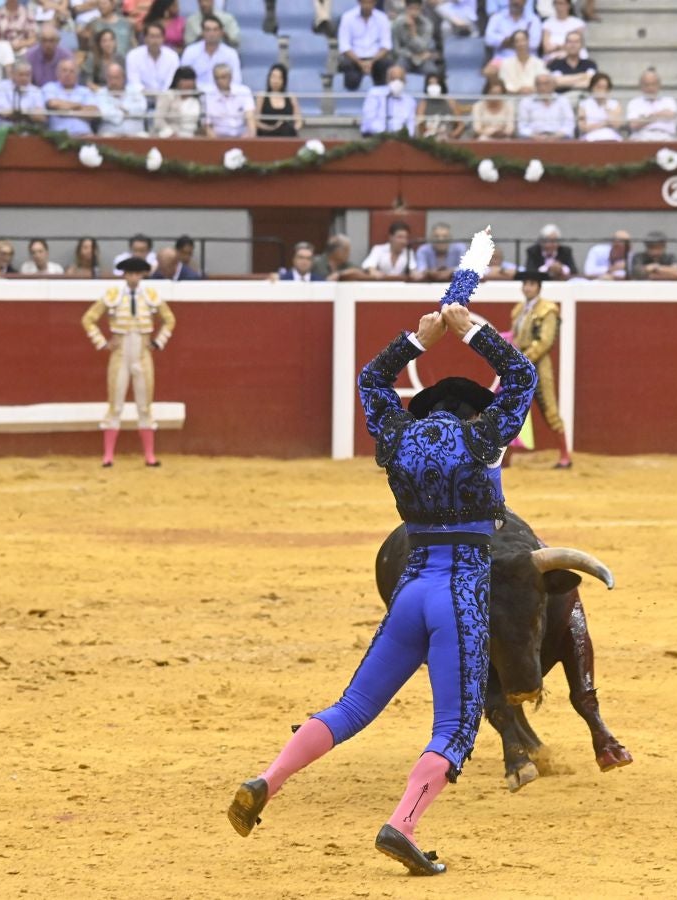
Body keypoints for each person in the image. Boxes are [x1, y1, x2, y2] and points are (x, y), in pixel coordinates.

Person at [227, 237, 537, 877]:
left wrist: (419, 340)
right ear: (471, 417)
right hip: (460, 594)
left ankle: (267, 780)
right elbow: (525, 377)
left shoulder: (394, 440)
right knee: (453, 728)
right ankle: (403, 824)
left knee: (351, 708)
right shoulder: (482, 443)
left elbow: (372, 379)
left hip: (412, 588)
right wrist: (472, 328)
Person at [80, 256, 176, 467]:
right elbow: (88, 319)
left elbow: (170, 319)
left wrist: (159, 342)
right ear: (124, 275)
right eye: (130, 274)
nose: (133, 278)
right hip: (120, 354)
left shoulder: (150, 295)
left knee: (145, 406)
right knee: (115, 406)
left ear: (142, 275)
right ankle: (108, 456)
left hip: (142, 354)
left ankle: (150, 456)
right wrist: (102, 342)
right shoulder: (113, 295)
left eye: (137, 274)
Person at [509, 269, 569, 467]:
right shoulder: (519, 309)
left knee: (549, 409)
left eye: (532, 284)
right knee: (510, 408)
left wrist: (522, 360)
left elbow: (545, 342)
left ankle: (564, 457)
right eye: (525, 283)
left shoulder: (548, 310)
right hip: (520, 366)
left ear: (539, 287)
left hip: (538, 366)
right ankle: (505, 457)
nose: (527, 287)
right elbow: (515, 337)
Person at [337, 0, 393, 90]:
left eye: (370, 2)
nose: (367, 5)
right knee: (349, 75)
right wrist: (360, 63)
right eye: (364, 2)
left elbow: (386, 46)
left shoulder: (382, 18)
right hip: (354, 59)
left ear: (374, 3)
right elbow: (344, 46)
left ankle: (381, 95)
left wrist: (371, 62)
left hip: (376, 59)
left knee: (386, 66)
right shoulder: (347, 17)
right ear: (359, 2)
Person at [43, 58, 99, 134]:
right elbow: (54, 104)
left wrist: (65, 110)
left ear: (77, 75)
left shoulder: (85, 91)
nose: (68, 74)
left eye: (72, 71)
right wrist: (79, 106)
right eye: (64, 70)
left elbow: (93, 112)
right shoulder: (50, 87)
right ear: (58, 73)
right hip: (58, 136)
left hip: (84, 134)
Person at [360, 62, 417, 134]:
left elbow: (410, 124)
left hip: (400, 139)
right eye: (393, 79)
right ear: (388, 80)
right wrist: (386, 134)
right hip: (377, 136)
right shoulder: (375, 94)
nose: (397, 82)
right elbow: (368, 121)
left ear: (405, 82)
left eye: (400, 79)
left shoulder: (410, 101)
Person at [182, 14, 239, 86]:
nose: (211, 34)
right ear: (202, 32)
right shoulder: (190, 51)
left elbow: (236, 81)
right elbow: (183, 79)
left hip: (222, 94)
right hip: (197, 94)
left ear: (221, 32)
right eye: (208, 30)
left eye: (215, 30)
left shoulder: (231, 53)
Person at [0, 59, 47, 127]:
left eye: (27, 75)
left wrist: (19, 112)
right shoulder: (1, 86)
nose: (24, 78)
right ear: (12, 74)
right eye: (21, 75)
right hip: (4, 124)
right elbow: (5, 113)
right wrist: (29, 112)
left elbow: (41, 117)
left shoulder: (36, 91)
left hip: (29, 125)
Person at [204, 61, 256, 137]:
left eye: (223, 77)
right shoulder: (207, 96)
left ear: (230, 77)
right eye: (216, 78)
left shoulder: (244, 92)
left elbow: (251, 122)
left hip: (242, 137)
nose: (219, 81)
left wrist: (246, 141)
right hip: (218, 139)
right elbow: (207, 127)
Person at [126, 21, 180, 95]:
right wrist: (147, 94)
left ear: (163, 38)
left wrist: (161, 96)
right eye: (152, 36)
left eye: (158, 37)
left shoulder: (172, 56)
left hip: (166, 97)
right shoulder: (133, 55)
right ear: (145, 38)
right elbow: (134, 82)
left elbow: (171, 82)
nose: (155, 41)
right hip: (141, 97)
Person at [96, 62, 149, 135]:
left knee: (144, 136)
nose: (113, 82)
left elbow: (142, 109)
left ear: (124, 78)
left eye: (116, 78)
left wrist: (123, 109)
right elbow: (106, 114)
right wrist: (127, 113)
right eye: (110, 78)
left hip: (136, 133)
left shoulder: (135, 91)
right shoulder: (101, 93)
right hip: (110, 134)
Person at [517, 72, 575, 138]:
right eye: (539, 84)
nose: (542, 87)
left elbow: (569, 124)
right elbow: (522, 127)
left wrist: (556, 136)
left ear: (554, 85)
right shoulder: (526, 101)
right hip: (533, 138)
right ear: (535, 86)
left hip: (559, 137)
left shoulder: (563, 100)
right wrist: (534, 136)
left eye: (546, 84)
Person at [626, 67, 677, 140]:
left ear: (659, 85)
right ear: (641, 86)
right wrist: (659, 114)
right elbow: (634, 124)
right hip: (642, 137)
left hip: (666, 136)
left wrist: (645, 118)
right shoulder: (634, 103)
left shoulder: (669, 100)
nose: (650, 88)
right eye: (647, 85)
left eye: (653, 84)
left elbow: (671, 115)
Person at [152, 66, 202, 137]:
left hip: (192, 137)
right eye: (184, 79)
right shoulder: (168, 96)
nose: (188, 83)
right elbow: (158, 120)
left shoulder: (197, 98)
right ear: (177, 81)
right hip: (171, 137)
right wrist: (171, 133)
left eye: (190, 79)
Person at [257, 63, 303, 137]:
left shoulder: (291, 97)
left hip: (286, 134)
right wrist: (272, 128)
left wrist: (293, 129)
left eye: (279, 78)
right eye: (273, 77)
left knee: (286, 129)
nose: (276, 81)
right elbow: (256, 121)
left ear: (284, 80)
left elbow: (299, 121)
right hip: (267, 134)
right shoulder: (262, 96)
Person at [393, 0, 438, 74]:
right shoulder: (398, 24)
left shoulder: (427, 24)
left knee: (433, 73)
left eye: (416, 9)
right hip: (405, 57)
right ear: (406, 9)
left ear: (421, 9)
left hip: (424, 59)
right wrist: (413, 56)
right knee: (396, 72)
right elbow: (396, 49)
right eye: (411, 8)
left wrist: (413, 33)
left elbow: (423, 47)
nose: (413, 12)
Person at [497, 29, 548, 94]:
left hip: (534, 99)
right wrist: (518, 91)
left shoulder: (539, 63)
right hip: (513, 98)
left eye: (523, 40)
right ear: (513, 45)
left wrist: (530, 90)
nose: (521, 44)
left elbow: (543, 83)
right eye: (517, 41)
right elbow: (505, 84)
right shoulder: (506, 63)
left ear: (528, 42)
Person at [577, 71, 623, 140]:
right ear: (592, 87)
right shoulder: (584, 104)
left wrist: (606, 106)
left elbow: (617, 125)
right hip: (590, 138)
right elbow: (583, 128)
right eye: (598, 87)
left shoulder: (615, 104)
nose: (601, 90)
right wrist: (604, 124)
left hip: (611, 137)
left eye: (604, 87)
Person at [417, 71, 463, 139]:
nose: (433, 86)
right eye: (430, 84)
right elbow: (420, 126)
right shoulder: (423, 104)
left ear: (441, 85)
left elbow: (461, 125)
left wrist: (453, 135)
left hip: (447, 139)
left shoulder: (451, 102)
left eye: (436, 83)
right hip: (430, 139)